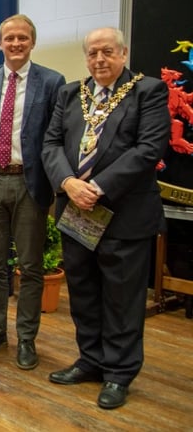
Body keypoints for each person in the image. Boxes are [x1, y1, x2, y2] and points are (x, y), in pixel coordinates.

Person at [42, 27, 170, 409]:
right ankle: (91, 360)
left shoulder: (147, 91)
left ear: (123, 53)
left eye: (108, 52)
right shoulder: (70, 93)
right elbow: (50, 143)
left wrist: (96, 187)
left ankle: (119, 373)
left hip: (123, 213)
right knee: (83, 292)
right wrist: (67, 181)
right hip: (76, 211)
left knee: (122, 298)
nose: (100, 59)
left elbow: (149, 149)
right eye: (93, 53)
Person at [0, 14, 66, 370]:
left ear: (32, 42)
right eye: (9, 38)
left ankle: (27, 338)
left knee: (30, 266)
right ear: (0, 43)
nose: (16, 44)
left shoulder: (53, 82)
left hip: (30, 183)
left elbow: (57, 137)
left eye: (22, 38)